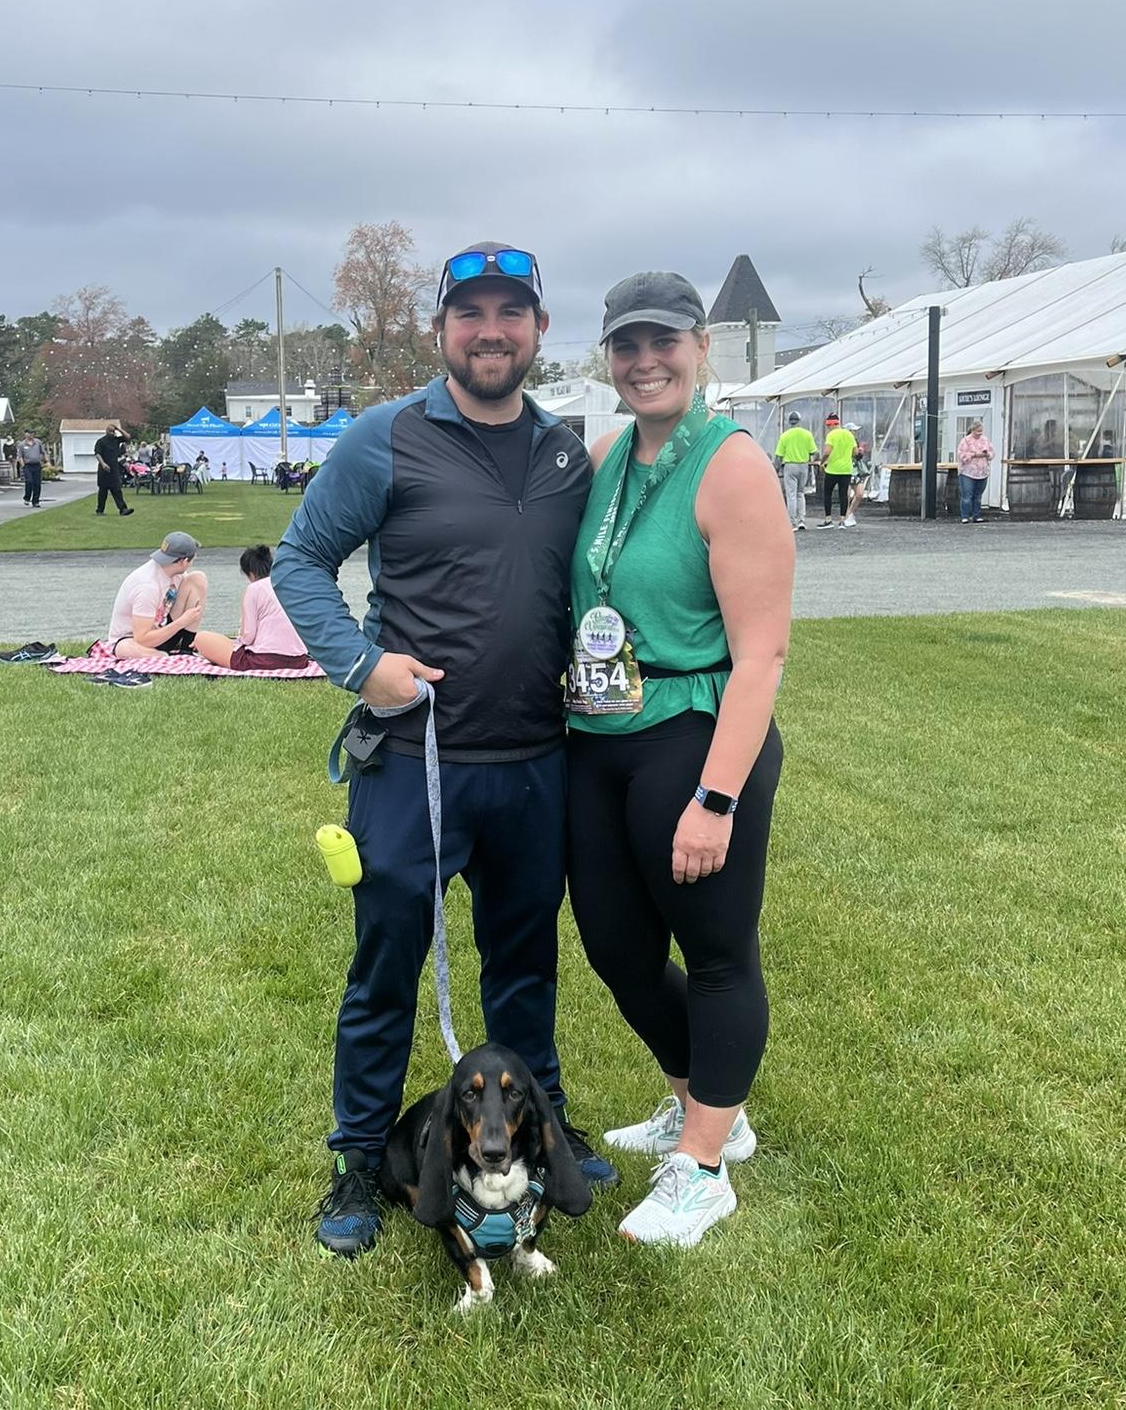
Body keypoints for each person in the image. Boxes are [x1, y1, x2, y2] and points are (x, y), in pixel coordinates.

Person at [273, 240, 618, 1256]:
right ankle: (356, 1156)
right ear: (441, 330)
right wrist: (360, 663)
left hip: (534, 764)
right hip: (412, 764)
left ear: (539, 330)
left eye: (511, 313)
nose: (491, 332)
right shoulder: (385, 437)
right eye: (471, 314)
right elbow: (300, 559)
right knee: (387, 964)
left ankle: (542, 1131)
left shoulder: (566, 455)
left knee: (525, 966)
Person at [566, 271, 791, 1247]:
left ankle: (703, 1167)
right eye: (627, 345)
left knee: (715, 953)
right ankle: (700, 1102)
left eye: (664, 341)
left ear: (701, 347)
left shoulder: (731, 466)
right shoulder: (608, 455)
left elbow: (762, 654)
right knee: (616, 949)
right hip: (599, 729)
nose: (645, 360)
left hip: (693, 731)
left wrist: (716, 796)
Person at [104, 532, 233, 660]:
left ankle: (187, 648)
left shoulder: (175, 573)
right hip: (135, 640)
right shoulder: (147, 586)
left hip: (163, 630)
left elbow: (191, 594)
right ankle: (163, 656)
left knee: (198, 578)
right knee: (123, 648)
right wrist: (181, 622)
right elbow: (142, 639)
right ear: (184, 561)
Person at [192, 545, 314, 672]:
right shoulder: (292, 585)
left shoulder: (254, 588)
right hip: (299, 660)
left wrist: (240, 639)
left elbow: (248, 636)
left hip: (264, 660)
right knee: (224, 642)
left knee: (201, 638)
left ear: (250, 573)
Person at [772, 410, 817, 531]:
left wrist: (775, 469)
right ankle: (802, 520)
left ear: (789, 422)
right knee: (800, 493)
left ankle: (792, 523)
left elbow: (779, 456)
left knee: (791, 494)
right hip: (803, 466)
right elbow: (814, 452)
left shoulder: (785, 435)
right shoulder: (807, 434)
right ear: (799, 421)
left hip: (790, 466)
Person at [819, 413, 856, 528]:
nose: (828, 428)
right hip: (846, 469)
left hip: (832, 469)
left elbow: (827, 452)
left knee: (828, 494)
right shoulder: (849, 434)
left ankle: (828, 519)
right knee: (843, 495)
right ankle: (842, 521)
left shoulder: (831, 435)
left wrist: (822, 462)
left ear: (830, 424)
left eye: (828, 426)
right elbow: (855, 452)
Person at [956, 419, 994, 523]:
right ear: (973, 430)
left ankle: (976, 516)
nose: (980, 433)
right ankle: (965, 516)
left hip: (982, 472)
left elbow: (992, 453)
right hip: (967, 472)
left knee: (978, 496)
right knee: (967, 496)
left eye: (981, 431)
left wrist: (987, 454)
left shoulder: (985, 440)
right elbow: (961, 455)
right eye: (978, 431)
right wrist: (974, 454)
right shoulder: (965, 441)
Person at [93, 423, 134, 517]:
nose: (112, 433)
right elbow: (97, 454)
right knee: (103, 491)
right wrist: (103, 464)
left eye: (113, 431)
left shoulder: (116, 440)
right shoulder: (101, 441)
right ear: (106, 431)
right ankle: (100, 510)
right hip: (104, 469)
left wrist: (118, 429)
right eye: (110, 431)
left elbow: (128, 437)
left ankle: (123, 509)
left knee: (117, 490)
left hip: (114, 468)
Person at [843, 422, 869, 527]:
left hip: (856, 471)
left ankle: (849, 513)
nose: (855, 433)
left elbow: (857, 457)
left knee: (859, 494)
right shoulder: (843, 442)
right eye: (853, 431)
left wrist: (860, 453)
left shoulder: (856, 441)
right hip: (846, 470)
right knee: (846, 495)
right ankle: (845, 516)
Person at [18, 430, 46, 508]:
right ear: (25, 434)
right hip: (28, 466)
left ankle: (35, 501)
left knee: (37, 484)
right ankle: (27, 497)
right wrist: (23, 465)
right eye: (29, 434)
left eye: (31, 433)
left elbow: (43, 452)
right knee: (29, 481)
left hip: (37, 465)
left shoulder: (38, 442)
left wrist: (46, 461)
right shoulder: (22, 444)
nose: (30, 435)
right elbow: (20, 456)